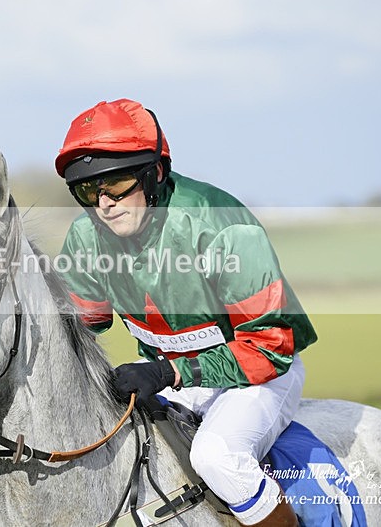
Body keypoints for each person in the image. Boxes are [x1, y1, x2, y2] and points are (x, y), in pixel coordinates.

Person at [54, 98, 317, 527]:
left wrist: (169, 372)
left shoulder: (223, 226)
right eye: (88, 190)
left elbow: (270, 349)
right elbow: (80, 323)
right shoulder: (87, 237)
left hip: (260, 374)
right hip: (175, 376)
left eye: (117, 184)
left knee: (216, 456)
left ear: (154, 174)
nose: (104, 203)